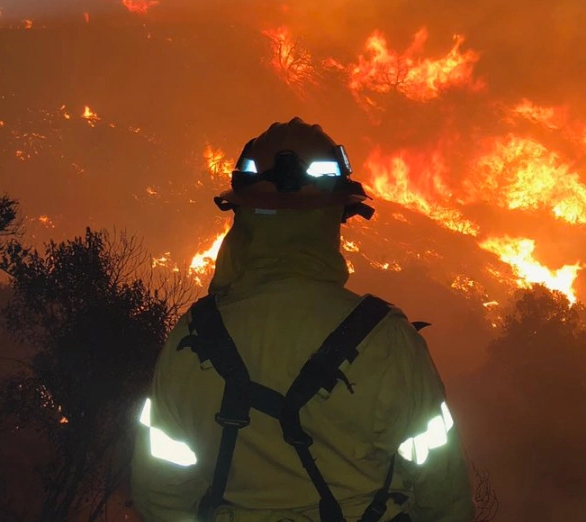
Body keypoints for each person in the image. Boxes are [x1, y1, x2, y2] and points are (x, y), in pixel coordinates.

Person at [131, 117, 475, 522]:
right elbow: (443, 494)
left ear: (242, 216)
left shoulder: (189, 339)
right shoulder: (389, 340)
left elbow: (159, 498)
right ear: (335, 218)